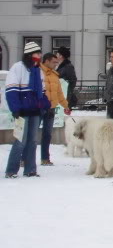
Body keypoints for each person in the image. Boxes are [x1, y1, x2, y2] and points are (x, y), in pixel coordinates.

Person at [4, 42, 51, 178]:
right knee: (20, 141)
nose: (39, 56)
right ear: (30, 54)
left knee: (32, 141)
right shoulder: (17, 68)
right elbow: (11, 90)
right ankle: (11, 170)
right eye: (37, 53)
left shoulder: (38, 70)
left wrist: (46, 106)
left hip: (35, 111)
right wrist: (15, 108)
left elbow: (41, 92)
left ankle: (30, 169)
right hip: (22, 111)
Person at [40, 52, 72, 166]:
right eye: (54, 62)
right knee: (31, 135)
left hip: (51, 108)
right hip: (38, 108)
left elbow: (59, 94)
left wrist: (66, 106)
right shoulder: (38, 72)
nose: (56, 65)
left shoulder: (54, 75)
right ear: (47, 61)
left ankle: (45, 158)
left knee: (47, 134)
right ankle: (24, 158)